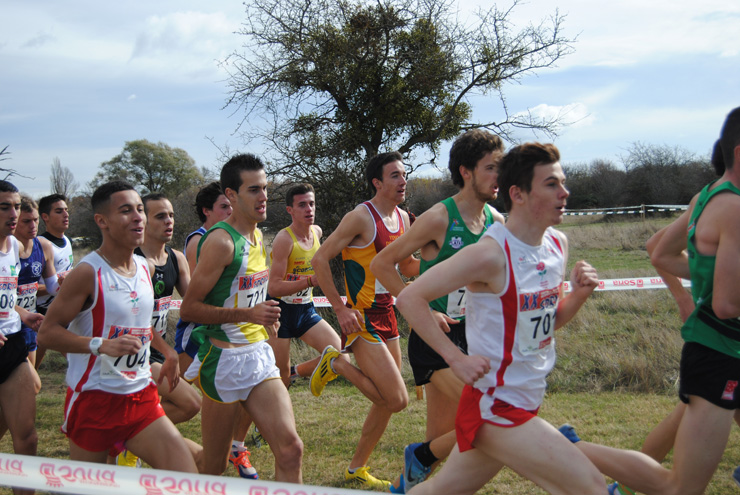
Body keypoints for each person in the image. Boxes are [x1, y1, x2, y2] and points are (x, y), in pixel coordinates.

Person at [394, 143, 606, 494]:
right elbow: (409, 297)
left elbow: (544, 327)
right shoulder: (491, 254)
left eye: (563, 182)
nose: (565, 192)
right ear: (518, 194)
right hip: (496, 406)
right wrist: (455, 358)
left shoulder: (557, 245)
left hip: (528, 398)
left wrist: (579, 296)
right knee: (591, 487)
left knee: (440, 490)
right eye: (551, 184)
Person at [559, 107, 740, 495]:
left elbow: (661, 252)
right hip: (720, 346)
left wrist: (695, 290)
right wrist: (693, 297)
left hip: (715, 344)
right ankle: (568, 448)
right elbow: (727, 305)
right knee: (680, 488)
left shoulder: (707, 197)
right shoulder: (734, 207)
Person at [370, 129, 505, 492]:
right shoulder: (438, 218)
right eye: (491, 168)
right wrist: (424, 311)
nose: (499, 176)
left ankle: (413, 473)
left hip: (471, 338)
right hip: (435, 339)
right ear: (466, 171)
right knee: (486, 421)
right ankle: (422, 456)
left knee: (446, 441)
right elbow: (382, 264)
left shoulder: (496, 221)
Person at [36, 181, 198, 473]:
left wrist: (166, 351)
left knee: (186, 476)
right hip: (95, 400)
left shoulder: (146, 268)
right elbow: (48, 332)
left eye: (139, 210)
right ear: (102, 221)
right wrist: (100, 345)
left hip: (140, 395)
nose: (138, 217)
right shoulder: (87, 273)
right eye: (126, 211)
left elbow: (138, 327)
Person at [180, 154, 303, 481]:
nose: (263, 196)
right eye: (254, 190)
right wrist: (248, 313)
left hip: (259, 356)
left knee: (291, 449)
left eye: (264, 188)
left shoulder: (258, 237)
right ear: (231, 196)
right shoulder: (220, 242)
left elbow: (246, 290)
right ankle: (168, 444)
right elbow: (189, 308)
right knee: (213, 466)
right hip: (224, 362)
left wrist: (264, 314)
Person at [311, 152, 416, 490]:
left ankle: (357, 468)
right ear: (377, 182)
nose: (403, 181)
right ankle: (337, 364)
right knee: (398, 399)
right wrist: (339, 309)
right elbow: (320, 258)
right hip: (362, 319)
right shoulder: (360, 217)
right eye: (395, 176)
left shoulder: (404, 219)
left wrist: (447, 264)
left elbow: (409, 266)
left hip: (389, 313)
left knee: (385, 402)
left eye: (404, 175)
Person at [174, 181, 259, 480]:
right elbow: (201, 298)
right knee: (183, 397)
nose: (231, 210)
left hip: (233, 332)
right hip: (200, 331)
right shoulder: (203, 241)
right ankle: (138, 434)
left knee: (229, 400)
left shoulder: (243, 236)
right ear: (206, 212)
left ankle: (233, 448)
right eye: (224, 206)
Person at [111, 193, 201, 468]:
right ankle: (128, 441)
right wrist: (167, 351)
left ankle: (126, 442)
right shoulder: (135, 261)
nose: (169, 221)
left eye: (171, 215)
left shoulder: (176, 258)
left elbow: (194, 306)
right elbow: (132, 318)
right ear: (144, 222)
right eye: (160, 216)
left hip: (159, 350)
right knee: (190, 403)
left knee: (160, 409)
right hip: (135, 352)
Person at [0, 181, 42, 495]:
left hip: (12, 344)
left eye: (16, 206)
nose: (14, 214)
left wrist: (23, 314)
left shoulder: (14, 246)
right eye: (5, 207)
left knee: (26, 438)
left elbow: (6, 294)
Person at [15, 196, 59, 369]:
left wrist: (66, 281)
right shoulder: (6, 249)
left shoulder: (43, 246)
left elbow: (53, 287)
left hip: (30, 322)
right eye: (26, 221)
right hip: (8, 323)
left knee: (30, 383)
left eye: (35, 220)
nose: (33, 226)